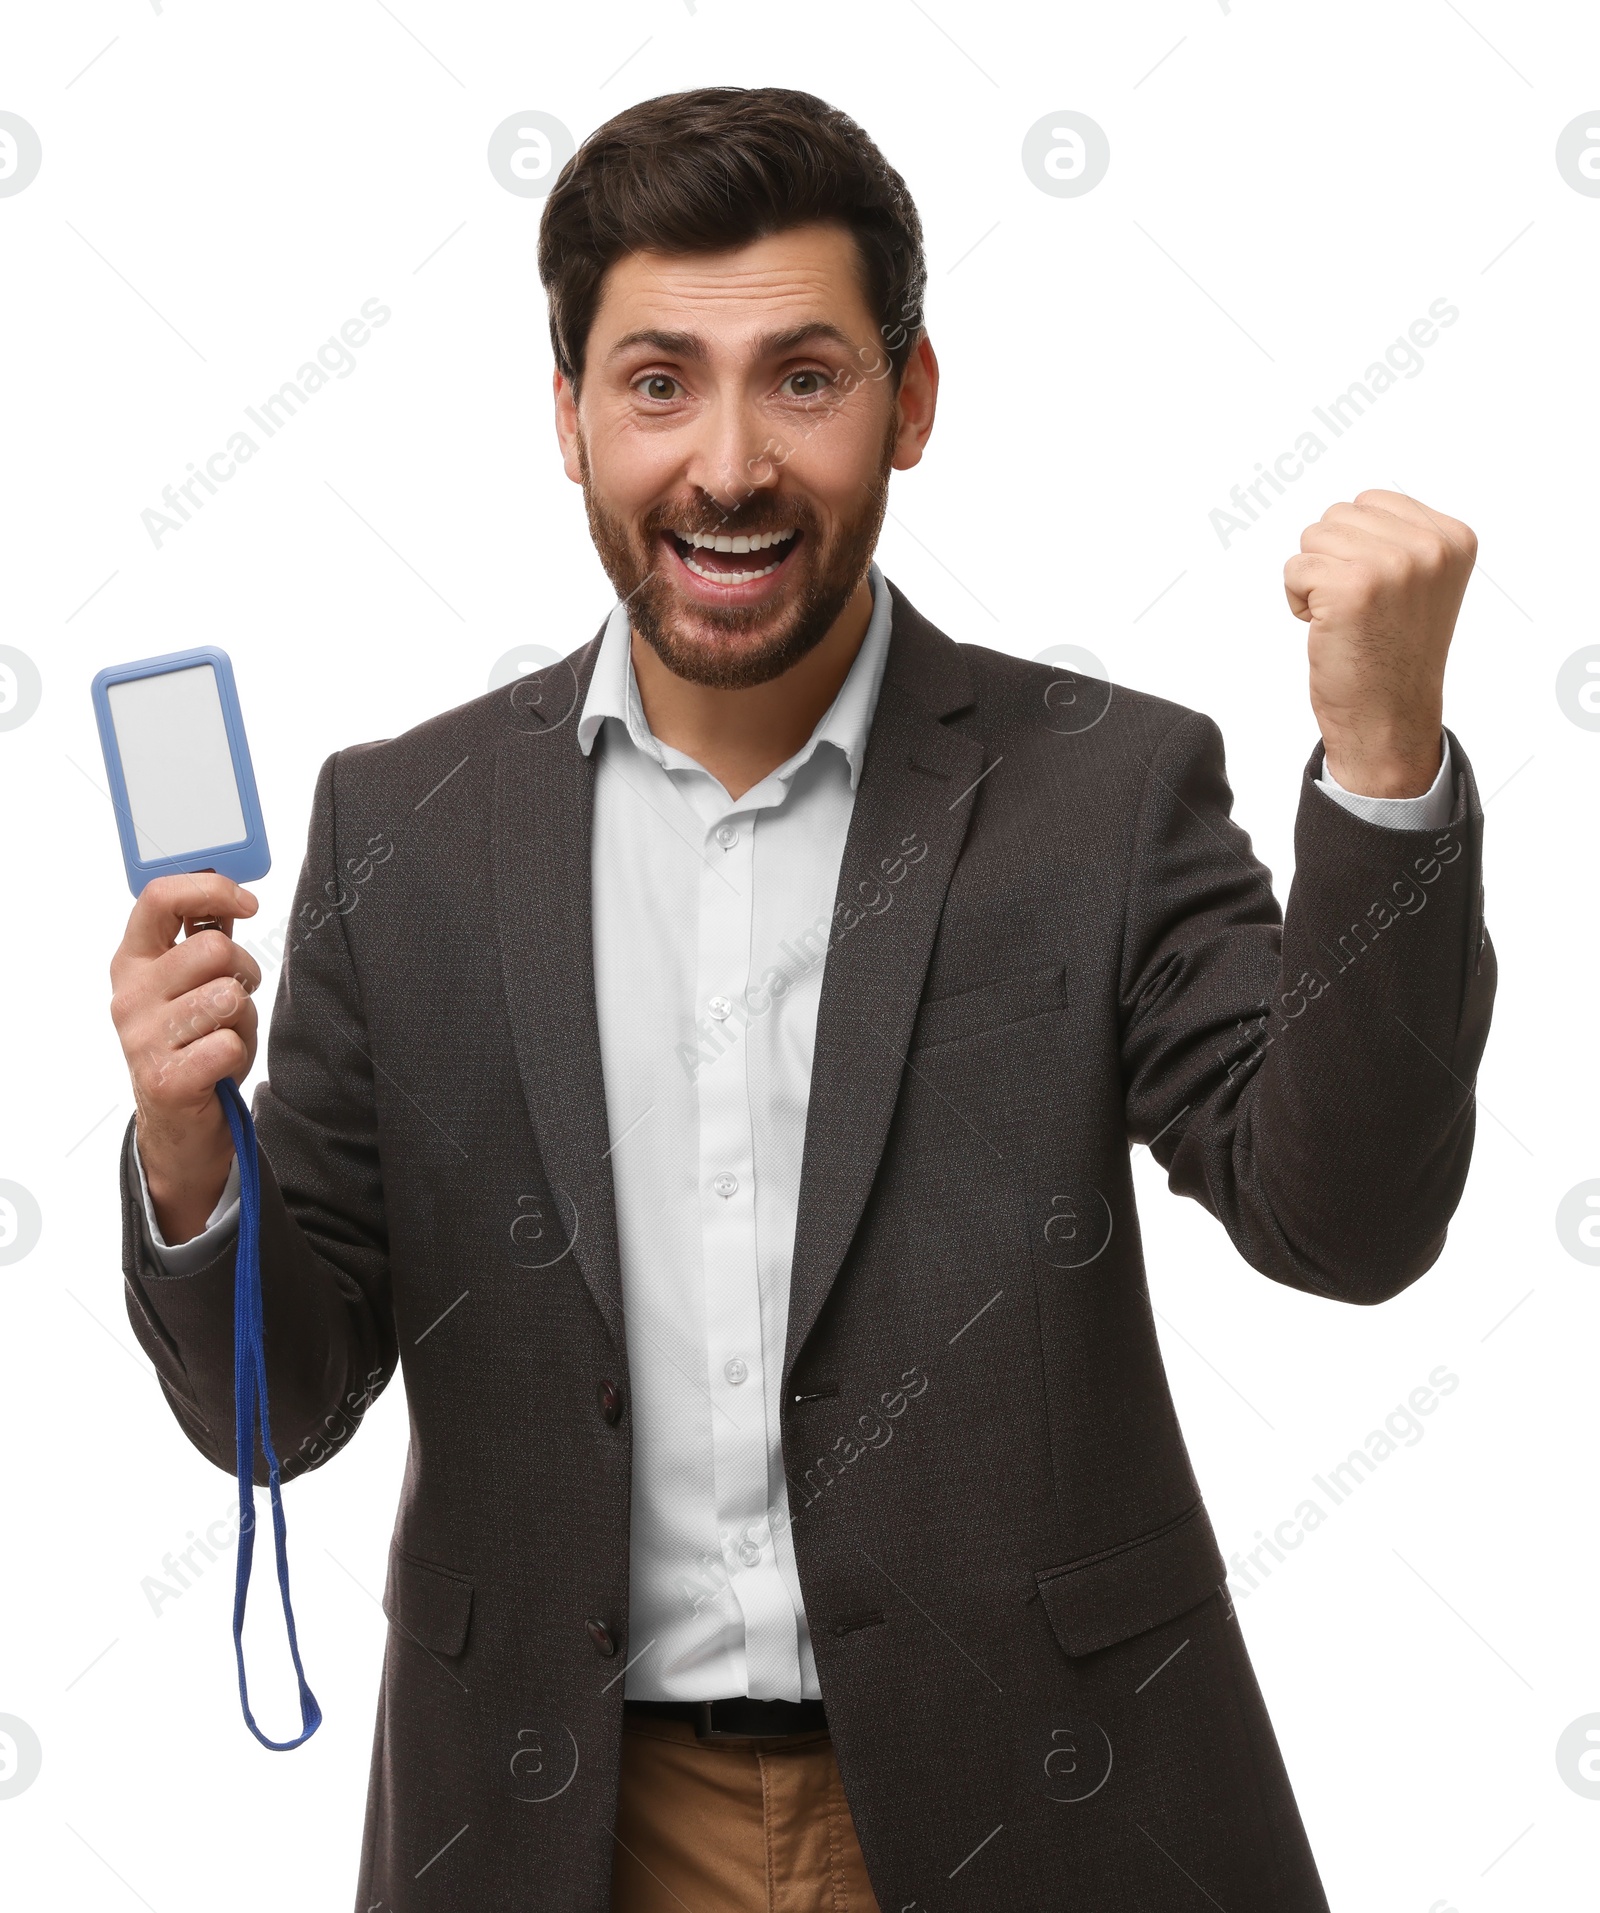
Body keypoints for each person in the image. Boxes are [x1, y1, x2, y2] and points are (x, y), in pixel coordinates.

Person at [109, 86, 1494, 1913]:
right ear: (571, 418)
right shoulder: (405, 828)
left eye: (807, 376)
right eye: (660, 380)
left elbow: (1349, 1221)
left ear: (912, 404)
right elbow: (278, 1412)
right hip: (560, 1828)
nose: (733, 464)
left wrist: (1384, 762)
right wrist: (189, 1156)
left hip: (1044, 1808)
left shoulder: (1105, 787)